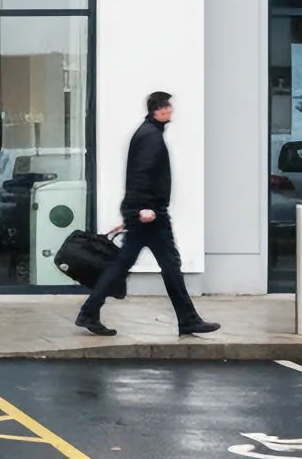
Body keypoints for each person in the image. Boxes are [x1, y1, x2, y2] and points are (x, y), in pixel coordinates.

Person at [76, 90, 220, 338]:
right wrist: (142, 209)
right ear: (158, 109)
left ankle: (90, 312)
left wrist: (133, 211)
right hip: (151, 215)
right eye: (167, 107)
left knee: (138, 265)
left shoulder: (149, 133)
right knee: (159, 265)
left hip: (147, 213)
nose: (171, 111)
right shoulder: (150, 136)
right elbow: (142, 174)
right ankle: (187, 320)